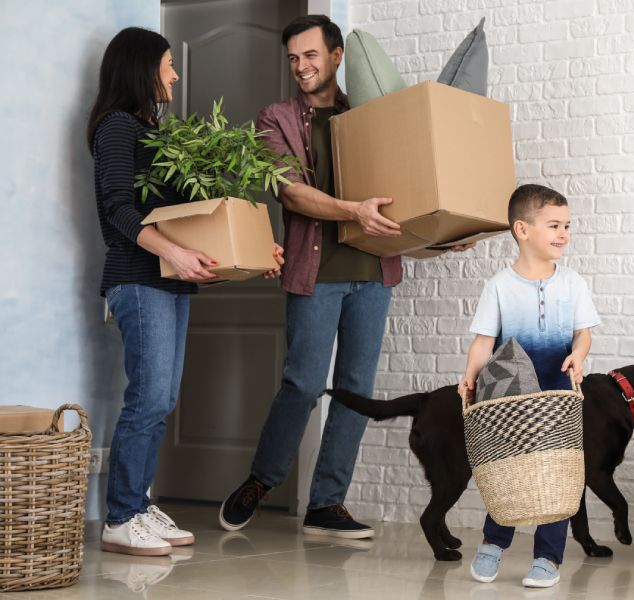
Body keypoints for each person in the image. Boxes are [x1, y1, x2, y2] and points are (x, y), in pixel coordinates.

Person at [218, 15, 471, 538]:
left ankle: (326, 504)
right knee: (304, 384)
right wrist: (353, 209)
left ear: (336, 56)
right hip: (316, 274)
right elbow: (290, 191)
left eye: (310, 55)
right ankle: (262, 480)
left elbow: (405, 198)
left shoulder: (375, 116)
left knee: (357, 389)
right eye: (293, 58)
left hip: (374, 275)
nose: (301, 67)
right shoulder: (277, 118)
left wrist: (445, 236)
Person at [88, 27, 283, 556]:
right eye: (169, 63)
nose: (175, 74)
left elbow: (188, 222)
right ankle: (121, 517)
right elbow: (118, 209)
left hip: (167, 284)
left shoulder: (155, 133)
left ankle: (137, 503)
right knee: (147, 398)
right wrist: (171, 253)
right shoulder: (116, 128)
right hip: (136, 278)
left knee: (163, 398)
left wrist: (252, 255)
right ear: (142, 68)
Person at [460, 184, 600, 589]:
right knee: (508, 469)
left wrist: (580, 354)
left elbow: (584, 334)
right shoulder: (499, 286)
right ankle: (493, 542)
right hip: (510, 398)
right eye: (554, 225)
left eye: (567, 226)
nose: (563, 234)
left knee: (558, 474)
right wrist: (469, 377)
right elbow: (485, 340)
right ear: (522, 229)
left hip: (558, 393)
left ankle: (547, 558)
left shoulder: (572, 283)